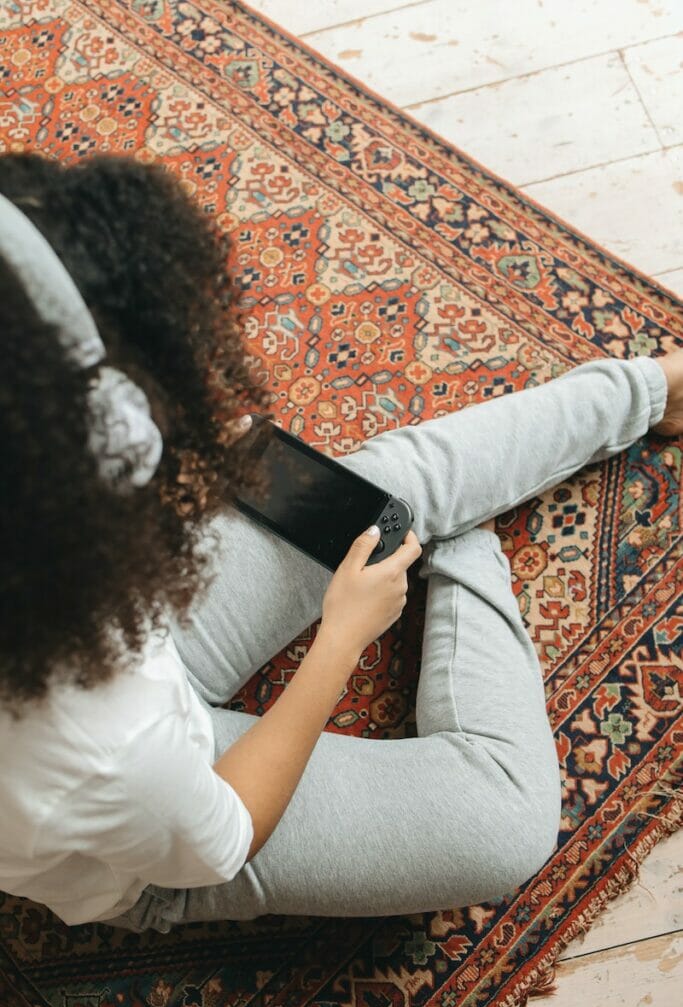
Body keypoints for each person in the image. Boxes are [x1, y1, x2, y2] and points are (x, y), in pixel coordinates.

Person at [0, 153, 680, 936]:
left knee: (363, 497)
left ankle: (651, 390)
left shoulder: (58, 543)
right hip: (151, 836)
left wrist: (175, 477)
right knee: (502, 821)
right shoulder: (104, 746)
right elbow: (222, 839)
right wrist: (343, 638)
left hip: (91, 637)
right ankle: (463, 540)